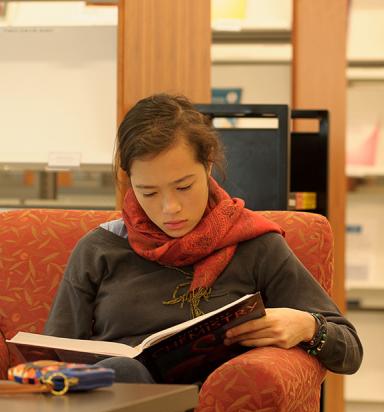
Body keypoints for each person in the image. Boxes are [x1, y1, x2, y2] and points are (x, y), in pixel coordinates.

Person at [44, 93, 363, 383]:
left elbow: (349, 350)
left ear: (208, 164)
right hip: (106, 404)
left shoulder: (255, 245)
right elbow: (52, 355)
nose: (170, 208)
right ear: (130, 182)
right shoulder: (99, 248)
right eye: (148, 192)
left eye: (183, 186)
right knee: (123, 372)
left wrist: (308, 326)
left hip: (206, 409)